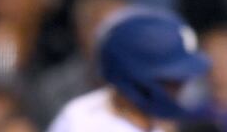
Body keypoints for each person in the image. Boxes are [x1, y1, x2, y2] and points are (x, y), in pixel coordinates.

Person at [47, 8, 211, 132]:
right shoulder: (84, 124)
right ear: (136, 79)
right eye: (171, 79)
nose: (181, 86)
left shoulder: (149, 119)